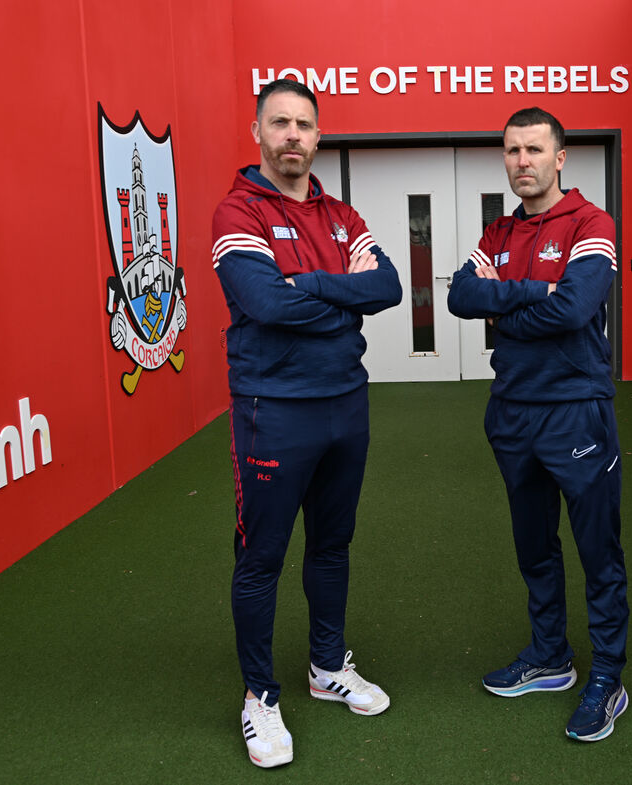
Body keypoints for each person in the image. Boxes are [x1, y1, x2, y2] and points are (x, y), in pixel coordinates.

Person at [210, 79, 402, 768]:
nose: (293, 135)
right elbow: (264, 304)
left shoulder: (343, 214)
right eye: (280, 123)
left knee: (332, 544)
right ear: (258, 130)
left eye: (305, 125)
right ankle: (259, 695)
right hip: (273, 411)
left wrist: (312, 285)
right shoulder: (238, 212)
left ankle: (326, 667)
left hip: (346, 406)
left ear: (319, 136)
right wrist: (341, 294)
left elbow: (389, 287)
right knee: (261, 558)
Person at [447, 107, 630, 742]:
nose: (521, 161)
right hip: (512, 413)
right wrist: (536, 294)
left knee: (597, 552)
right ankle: (551, 657)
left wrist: (509, 299)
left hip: (575, 409)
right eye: (511, 151)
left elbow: (578, 307)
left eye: (533, 149)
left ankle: (607, 674)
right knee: (534, 547)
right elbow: (459, 296)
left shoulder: (591, 223)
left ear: (560, 157)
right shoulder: (497, 231)